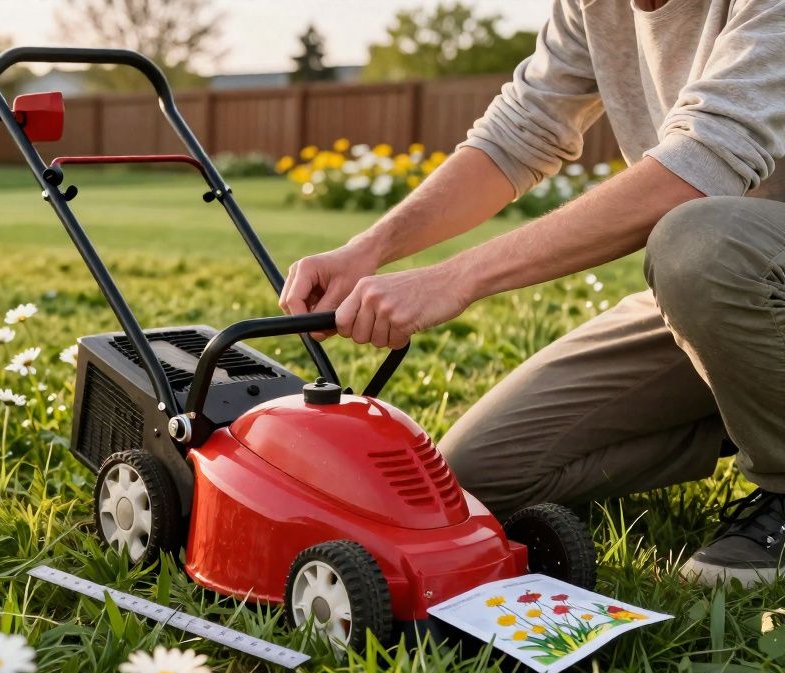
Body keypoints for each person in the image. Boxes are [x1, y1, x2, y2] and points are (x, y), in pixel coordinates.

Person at [278, 0, 785, 588]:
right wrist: (368, 248)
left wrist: (454, 278)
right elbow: (519, 132)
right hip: (732, 296)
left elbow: (696, 167)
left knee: (699, 242)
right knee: (477, 475)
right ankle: (755, 394)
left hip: (731, 263)